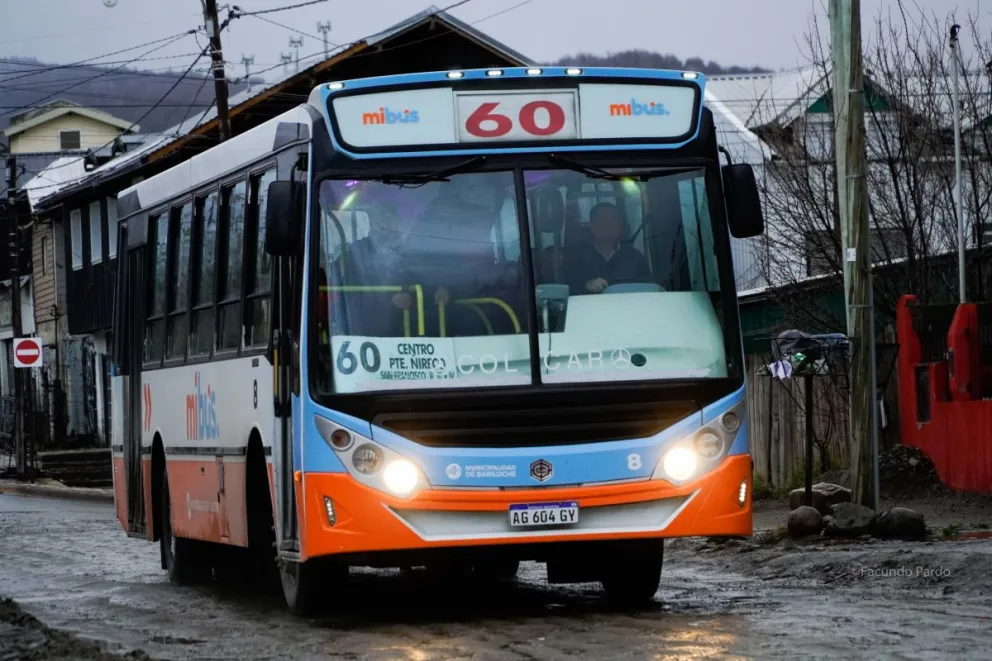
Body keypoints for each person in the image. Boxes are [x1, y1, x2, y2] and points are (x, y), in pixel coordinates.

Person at [563, 202, 652, 294]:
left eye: (613, 219)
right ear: (591, 226)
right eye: (602, 219)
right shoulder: (576, 258)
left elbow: (650, 289)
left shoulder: (635, 257)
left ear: (620, 226)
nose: (609, 224)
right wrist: (586, 286)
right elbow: (566, 290)